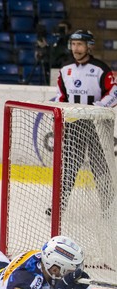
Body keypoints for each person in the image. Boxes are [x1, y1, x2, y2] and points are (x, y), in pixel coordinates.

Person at [49, 29, 117, 215]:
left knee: (99, 166)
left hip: (96, 125)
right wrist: (55, 104)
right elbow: (61, 95)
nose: (76, 48)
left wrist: (97, 108)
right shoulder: (65, 69)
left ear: (89, 46)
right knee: (69, 167)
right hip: (73, 124)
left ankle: (108, 207)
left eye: (80, 44)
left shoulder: (101, 69)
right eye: (73, 44)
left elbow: (113, 93)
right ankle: (58, 206)